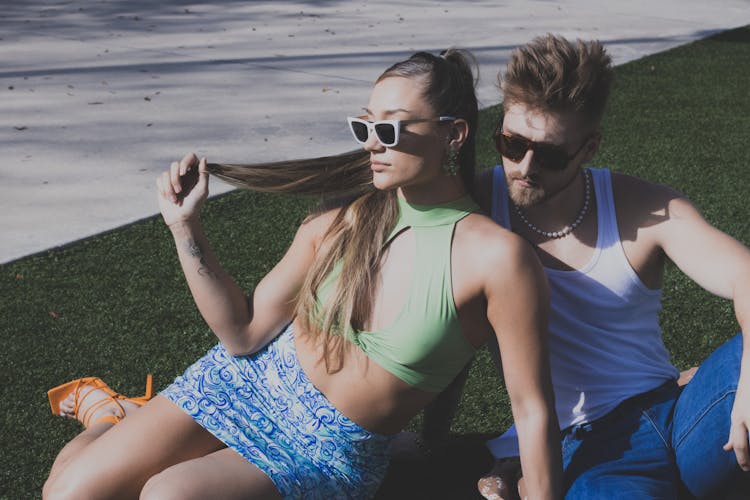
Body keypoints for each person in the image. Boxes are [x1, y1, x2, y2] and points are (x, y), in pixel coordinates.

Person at [42, 49, 563, 500]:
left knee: (168, 493)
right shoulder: (344, 216)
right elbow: (243, 334)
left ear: (454, 134)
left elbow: (533, 410)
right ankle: (113, 416)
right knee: (67, 492)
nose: (371, 144)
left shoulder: (498, 259)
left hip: (327, 449)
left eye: (389, 129)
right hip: (245, 385)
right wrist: (185, 227)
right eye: (365, 127)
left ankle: (121, 421)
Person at [463, 34, 750, 499]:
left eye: (552, 154)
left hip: (678, 413)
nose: (525, 166)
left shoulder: (642, 205)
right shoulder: (474, 209)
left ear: (589, 147)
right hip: (586, 446)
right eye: (512, 143)